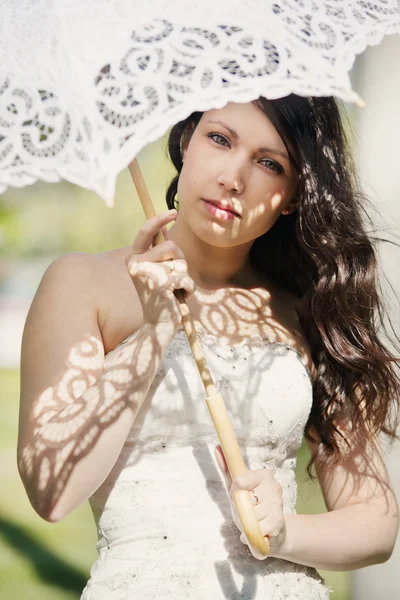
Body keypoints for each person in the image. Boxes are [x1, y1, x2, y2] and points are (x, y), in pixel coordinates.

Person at [17, 97, 400, 599]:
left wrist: (285, 531)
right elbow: (52, 491)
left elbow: (375, 524)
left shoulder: (305, 307)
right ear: (186, 141)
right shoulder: (82, 282)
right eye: (220, 139)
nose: (233, 178)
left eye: (270, 163)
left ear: (291, 196)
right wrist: (153, 332)